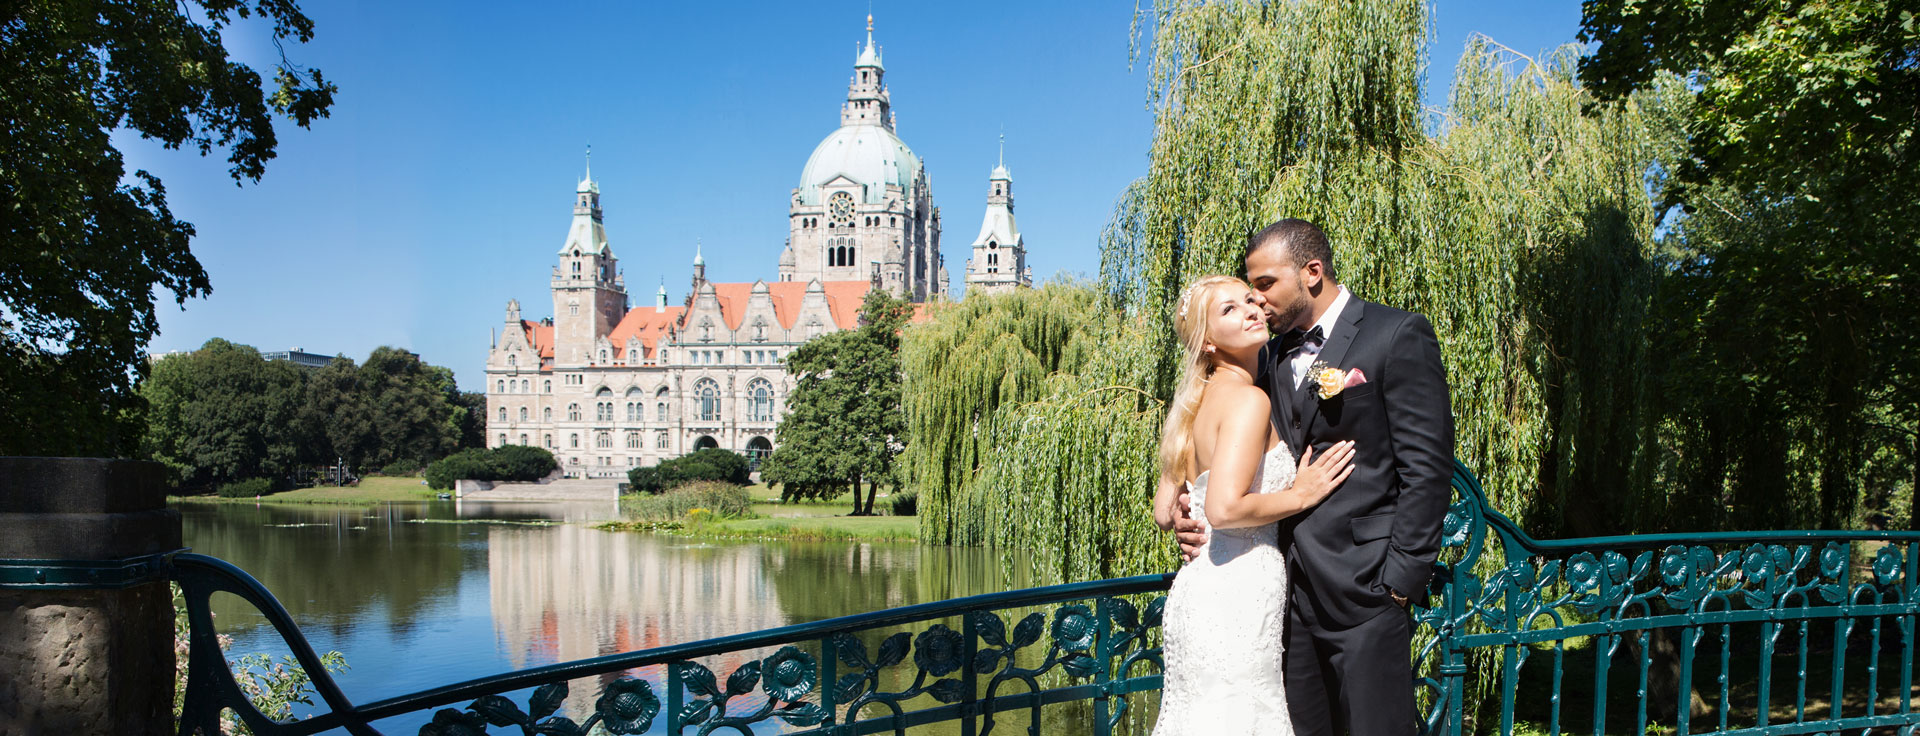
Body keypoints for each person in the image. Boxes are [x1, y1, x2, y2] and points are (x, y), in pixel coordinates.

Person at [1168, 219, 1455, 736]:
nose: (1256, 302)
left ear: (1312, 272)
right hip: (1285, 599)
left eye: (1264, 286)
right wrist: (1190, 514)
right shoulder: (1268, 357)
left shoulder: (1395, 335)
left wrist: (1398, 583)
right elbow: (1206, 438)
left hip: (1367, 592)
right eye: (1248, 291)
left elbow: (1427, 470)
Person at [1150, 274, 1357, 736]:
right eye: (1228, 310)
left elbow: (1165, 512)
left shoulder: (1189, 406)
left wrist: (1187, 514)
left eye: (1248, 300)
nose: (1249, 310)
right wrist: (1301, 493)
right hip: (1238, 595)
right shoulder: (1248, 399)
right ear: (1206, 342)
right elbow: (1223, 509)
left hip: (1199, 588)